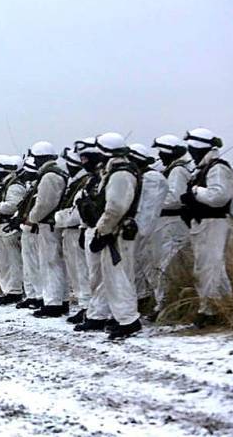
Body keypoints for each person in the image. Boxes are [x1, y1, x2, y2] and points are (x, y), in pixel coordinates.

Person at [88, 133, 142, 339]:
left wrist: (102, 231)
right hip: (115, 231)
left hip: (117, 232)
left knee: (118, 277)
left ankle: (128, 320)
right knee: (115, 277)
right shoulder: (118, 172)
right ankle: (123, 317)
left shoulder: (120, 174)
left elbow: (115, 208)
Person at [180, 128, 233, 328]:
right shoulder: (204, 168)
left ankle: (209, 311)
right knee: (209, 268)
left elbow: (219, 196)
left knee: (209, 267)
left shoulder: (217, 168)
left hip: (214, 223)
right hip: (204, 223)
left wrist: (195, 191)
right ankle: (224, 308)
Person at [149, 134, 194, 318]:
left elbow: (175, 198)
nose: (160, 155)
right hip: (165, 223)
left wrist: (152, 201)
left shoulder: (177, 171)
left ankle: (166, 306)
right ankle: (163, 304)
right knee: (161, 264)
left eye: (162, 151)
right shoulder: (173, 169)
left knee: (166, 265)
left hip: (172, 222)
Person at [26, 142, 69, 318]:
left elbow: (44, 204)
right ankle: (61, 299)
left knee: (50, 263)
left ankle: (53, 302)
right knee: (55, 263)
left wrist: (31, 218)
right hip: (53, 224)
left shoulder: (49, 177)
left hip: (48, 225)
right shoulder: (55, 174)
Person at [127, 143, 169, 314]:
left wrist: (139, 230)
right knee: (137, 267)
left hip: (151, 231)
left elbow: (149, 209)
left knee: (153, 267)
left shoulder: (152, 178)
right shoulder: (140, 177)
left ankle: (163, 304)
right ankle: (141, 298)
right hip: (140, 230)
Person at [74, 137, 109, 331]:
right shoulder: (93, 179)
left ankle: (99, 314)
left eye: (86, 158)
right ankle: (96, 311)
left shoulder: (105, 177)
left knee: (101, 275)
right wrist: (82, 228)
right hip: (90, 227)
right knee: (94, 275)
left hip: (101, 228)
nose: (83, 162)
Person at [54, 147, 91, 324]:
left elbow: (76, 214)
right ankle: (85, 305)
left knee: (82, 272)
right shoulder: (76, 182)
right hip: (71, 231)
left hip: (76, 229)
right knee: (76, 272)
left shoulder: (83, 182)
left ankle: (88, 306)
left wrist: (59, 217)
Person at [0, 155, 28, 305]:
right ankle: (9, 289)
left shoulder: (14, 186)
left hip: (9, 228)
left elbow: (13, 206)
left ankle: (15, 290)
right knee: (4, 262)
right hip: (1, 228)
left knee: (13, 262)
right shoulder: (6, 185)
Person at [14, 157, 43, 310]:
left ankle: (39, 295)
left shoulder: (38, 188)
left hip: (33, 230)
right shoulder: (31, 188)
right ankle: (31, 294)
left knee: (35, 264)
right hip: (26, 229)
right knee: (28, 265)